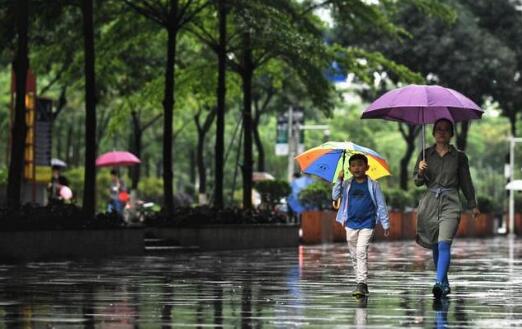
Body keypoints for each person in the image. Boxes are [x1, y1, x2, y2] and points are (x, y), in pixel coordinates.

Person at [413, 118, 480, 299]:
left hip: (451, 202)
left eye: (446, 129)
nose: (442, 132)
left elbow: (466, 181)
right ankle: (444, 284)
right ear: (433, 133)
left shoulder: (459, 156)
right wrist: (420, 171)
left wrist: (472, 204)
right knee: (435, 244)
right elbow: (417, 182)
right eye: (438, 129)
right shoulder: (425, 154)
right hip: (429, 204)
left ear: (451, 134)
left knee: (444, 242)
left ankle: (438, 282)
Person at [332, 153, 390, 297]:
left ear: (367, 167)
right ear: (349, 169)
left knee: (360, 252)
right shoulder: (346, 184)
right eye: (353, 165)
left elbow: (381, 204)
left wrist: (385, 223)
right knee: (354, 255)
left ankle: (361, 283)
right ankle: (360, 280)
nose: (357, 168)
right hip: (350, 223)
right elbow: (335, 196)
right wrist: (338, 180)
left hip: (367, 223)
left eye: (360, 165)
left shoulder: (373, 185)